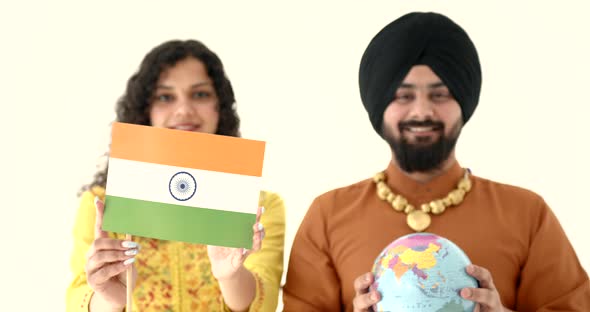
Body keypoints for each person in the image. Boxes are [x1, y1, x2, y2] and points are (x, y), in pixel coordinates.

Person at [283, 12, 590, 312]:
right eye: (403, 96)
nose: (421, 112)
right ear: (378, 104)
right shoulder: (327, 215)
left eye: (440, 95)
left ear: (463, 103)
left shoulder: (527, 213)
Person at [66, 40, 285, 312]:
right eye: (165, 97)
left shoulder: (260, 206)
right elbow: (77, 300)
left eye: (201, 94)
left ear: (221, 106)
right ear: (146, 109)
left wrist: (230, 275)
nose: (183, 110)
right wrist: (110, 297)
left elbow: (267, 300)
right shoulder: (103, 203)